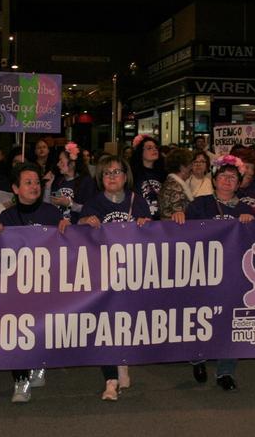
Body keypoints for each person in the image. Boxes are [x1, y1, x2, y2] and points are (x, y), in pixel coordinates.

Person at [79, 154, 151, 401]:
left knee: (125, 325)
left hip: (132, 276)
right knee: (105, 327)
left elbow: (153, 235)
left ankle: (122, 360)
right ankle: (110, 380)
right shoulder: (95, 202)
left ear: (125, 175)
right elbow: (78, 235)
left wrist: (146, 224)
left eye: (117, 172)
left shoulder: (137, 201)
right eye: (107, 172)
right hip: (102, 277)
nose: (112, 177)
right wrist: (84, 222)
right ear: (100, 177)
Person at [0, 163, 69, 403]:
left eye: (37, 182)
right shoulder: (6, 217)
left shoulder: (51, 213)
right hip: (17, 287)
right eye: (28, 182)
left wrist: (66, 230)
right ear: (15, 189)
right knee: (16, 331)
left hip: (45, 284)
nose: (34, 186)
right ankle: (21, 380)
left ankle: (39, 364)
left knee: (41, 327)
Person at [184, 155, 254, 391]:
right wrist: (178, 218)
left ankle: (225, 371)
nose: (227, 180)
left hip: (234, 275)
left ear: (239, 183)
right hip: (203, 272)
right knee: (200, 316)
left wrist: (251, 223)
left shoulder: (246, 209)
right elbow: (182, 233)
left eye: (233, 177)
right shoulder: (199, 204)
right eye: (223, 176)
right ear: (214, 180)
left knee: (230, 321)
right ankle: (198, 357)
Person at [47, 142, 97, 223]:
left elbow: (90, 209)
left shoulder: (86, 182)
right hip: (57, 226)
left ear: (72, 164)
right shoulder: (58, 181)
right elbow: (47, 206)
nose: (58, 164)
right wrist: (47, 187)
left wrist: (70, 204)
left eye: (61, 161)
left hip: (77, 228)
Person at [130, 135, 165, 220]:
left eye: (156, 147)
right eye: (149, 148)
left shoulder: (164, 173)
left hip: (161, 220)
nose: (154, 150)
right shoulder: (133, 173)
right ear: (140, 152)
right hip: (140, 219)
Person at [158, 148, 195, 222]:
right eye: (190, 164)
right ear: (182, 167)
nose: (192, 167)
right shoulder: (175, 187)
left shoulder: (170, 182)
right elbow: (179, 214)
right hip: (175, 229)